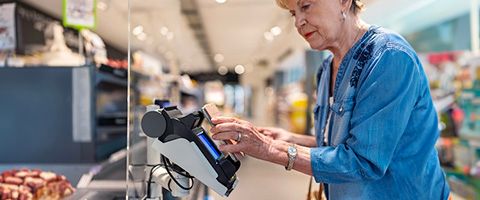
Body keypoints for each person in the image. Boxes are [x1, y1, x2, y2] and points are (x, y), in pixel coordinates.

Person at [210, 0, 450, 199]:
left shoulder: (388, 58)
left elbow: (363, 161)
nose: (298, 22)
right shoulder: (326, 69)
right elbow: (342, 144)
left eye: (306, 6)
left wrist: (269, 148)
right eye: (293, 13)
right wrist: (293, 139)